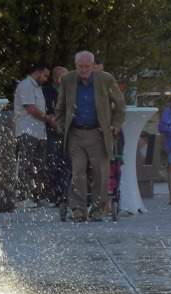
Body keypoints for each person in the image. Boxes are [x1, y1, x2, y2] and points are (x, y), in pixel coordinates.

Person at [54, 50, 126, 223]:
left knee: (101, 173)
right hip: (76, 134)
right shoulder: (68, 80)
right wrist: (61, 127)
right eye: (80, 66)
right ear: (76, 66)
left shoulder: (105, 79)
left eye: (87, 66)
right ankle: (78, 210)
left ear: (93, 66)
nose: (84, 70)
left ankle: (98, 210)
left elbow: (120, 104)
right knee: (78, 172)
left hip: (98, 133)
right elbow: (61, 106)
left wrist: (115, 125)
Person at [13, 63, 51, 208]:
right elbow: (31, 108)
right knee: (26, 164)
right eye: (45, 75)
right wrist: (48, 119)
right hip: (27, 130)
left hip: (39, 132)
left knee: (38, 166)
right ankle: (22, 197)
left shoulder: (37, 88)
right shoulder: (26, 85)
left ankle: (36, 196)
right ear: (38, 72)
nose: (46, 79)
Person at [42, 65, 69, 215]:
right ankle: (54, 194)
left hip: (67, 131)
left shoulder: (70, 91)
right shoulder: (46, 91)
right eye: (60, 76)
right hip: (51, 131)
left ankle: (64, 194)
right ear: (55, 77)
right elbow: (45, 110)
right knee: (54, 162)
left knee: (67, 163)